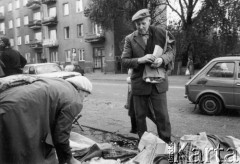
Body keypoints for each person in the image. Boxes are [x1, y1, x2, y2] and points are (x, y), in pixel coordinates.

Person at [0, 75, 92, 164]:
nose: (83, 100)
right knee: (22, 150)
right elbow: (61, 135)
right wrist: (69, 159)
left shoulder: (58, 82)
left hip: (5, 100)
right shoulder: (74, 100)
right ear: (80, 90)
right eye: (85, 96)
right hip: (14, 111)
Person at [121, 9, 176, 143]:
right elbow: (124, 61)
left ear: (149, 21)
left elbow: (171, 53)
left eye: (143, 23)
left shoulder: (161, 34)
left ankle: (166, 143)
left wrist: (162, 60)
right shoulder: (130, 39)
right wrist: (141, 59)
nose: (140, 27)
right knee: (140, 117)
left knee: (162, 116)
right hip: (140, 83)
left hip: (158, 83)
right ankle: (144, 144)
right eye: (137, 24)